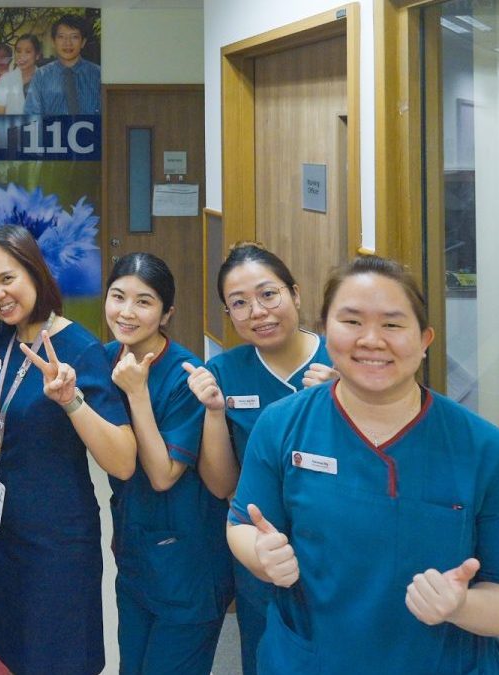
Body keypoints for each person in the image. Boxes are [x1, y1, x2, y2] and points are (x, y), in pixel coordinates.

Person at [227, 255, 499, 673]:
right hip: (308, 660)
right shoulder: (281, 425)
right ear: (326, 331)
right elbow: (240, 525)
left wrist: (463, 605)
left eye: (393, 325)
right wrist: (260, 555)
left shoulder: (488, 452)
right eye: (351, 322)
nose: (371, 340)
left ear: (424, 340)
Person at [0, 225, 135, 674]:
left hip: (54, 538)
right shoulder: (1, 336)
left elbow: (122, 458)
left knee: (55, 655)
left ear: (35, 274)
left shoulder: (79, 349)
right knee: (15, 647)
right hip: (2, 527)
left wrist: (71, 401)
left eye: (7, 278)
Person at [182, 242, 334, 675]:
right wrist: (213, 412)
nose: (258, 312)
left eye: (269, 294)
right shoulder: (226, 372)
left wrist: (344, 399)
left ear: (296, 294)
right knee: (268, 658)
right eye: (240, 304)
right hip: (261, 555)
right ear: (228, 315)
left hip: (336, 550)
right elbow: (221, 485)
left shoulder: (340, 361)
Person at [103, 253, 233, 674]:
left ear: (166, 313)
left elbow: (162, 475)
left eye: (144, 302)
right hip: (134, 552)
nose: (126, 312)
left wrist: (138, 395)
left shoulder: (186, 375)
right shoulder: (105, 359)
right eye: (118, 296)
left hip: (189, 561)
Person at [24, 15, 101, 116]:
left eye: (74, 37)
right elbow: (32, 116)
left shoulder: (98, 75)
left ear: (83, 42)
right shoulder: (41, 76)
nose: (67, 43)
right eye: (61, 37)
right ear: (53, 42)